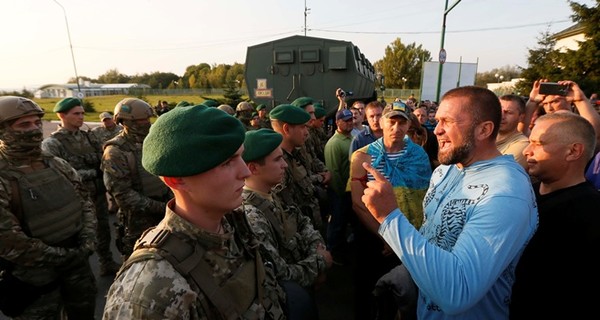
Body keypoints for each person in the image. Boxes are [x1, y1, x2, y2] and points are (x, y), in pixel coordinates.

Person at [362, 86, 538, 319]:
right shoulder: (446, 170)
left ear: (484, 130)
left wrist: (390, 217)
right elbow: (433, 237)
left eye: (448, 122)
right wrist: (409, 275)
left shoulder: (506, 193)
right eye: (437, 121)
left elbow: (458, 293)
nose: (437, 130)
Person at [103, 105, 286, 319]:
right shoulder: (150, 290)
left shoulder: (236, 223)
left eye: (241, 157)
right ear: (176, 180)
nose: (245, 172)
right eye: (227, 163)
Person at [0, 96, 97, 319]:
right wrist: (61, 256)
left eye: (36, 123)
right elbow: (7, 238)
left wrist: (87, 240)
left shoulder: (55, 163)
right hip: (35, 277)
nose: (34, 130)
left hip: (77, 265)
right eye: (24, 125)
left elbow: (85, 202)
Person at [510, 112, 600, 319]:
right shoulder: (521, 194)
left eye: (538, 144)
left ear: (573, 151)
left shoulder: (590, 214)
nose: (526, 151)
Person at [349, 102, 431, 319]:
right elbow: (357, 203)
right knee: (369, 290)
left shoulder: (419, 157)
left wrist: (402, 238)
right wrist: (386, 236)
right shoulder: (362, 157)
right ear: (381, 123)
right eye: (391, 121)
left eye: (402, 122)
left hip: (408, 240)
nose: (396, 127)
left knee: (403, 295)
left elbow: (423, 199)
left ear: (408, 125)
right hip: (373, 239)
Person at [242, 128, 332, 319]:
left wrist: (317, 248)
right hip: (290, 299)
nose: (284, 165)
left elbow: (303, 222)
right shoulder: (252, 215)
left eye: (283, 158)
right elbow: (280, 275)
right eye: (277, 160)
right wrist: (320, 261)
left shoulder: (273, 193)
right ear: (253, 168)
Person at [42, 97, 120, 276]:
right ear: (62, 115)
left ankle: (106, 262)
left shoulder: (88, 137)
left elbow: (101, 159)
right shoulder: (53, 144)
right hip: (75, 200)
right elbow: (58, 175)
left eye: (82, 113)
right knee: (80, 236)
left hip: (97, 194)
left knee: (103, 230)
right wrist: (93, 173)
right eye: (76, 114)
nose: (81, 117)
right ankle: (80, 273)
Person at [101, 98, 172, 261]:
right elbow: (123, 196)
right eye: (141, 120)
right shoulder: (116, 152)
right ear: (124, 121)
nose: (146, 123)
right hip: (139, 222)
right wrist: (162, 207)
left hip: (165, 213)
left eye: (148, 119)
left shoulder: (153, 142)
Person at [270, 104, 324, 231]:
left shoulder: (296, 154)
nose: (307, 132)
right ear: (287, 129)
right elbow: (288, 210)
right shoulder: (278, 165)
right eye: (302, 127)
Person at [524, 79, 600, 152]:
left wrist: (580, 101)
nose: (549, 108)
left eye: (555, 102)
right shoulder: (540, 126)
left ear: (568, 100)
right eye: (545, 104)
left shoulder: (579, 124)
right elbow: (520, 132)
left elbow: (594, 134)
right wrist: (532, 101)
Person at [324, 109, 355, 264]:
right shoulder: (334, 143)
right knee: (336, 223)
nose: (350, 123)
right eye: (346, 120)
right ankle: (332, 253)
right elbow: (334, 172)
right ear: (337, 122)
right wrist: (342, 193)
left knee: (343, 223)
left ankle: (340, 249)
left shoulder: (351, 138)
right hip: (339, 192)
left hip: (348, 191)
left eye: (351, 120)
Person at [496, 94, 529, 170]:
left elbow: (500, 172)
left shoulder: (522, 144)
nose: (502, 116)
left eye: (508, 112)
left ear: (521, 117)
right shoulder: (484, 138)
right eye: (498, 111)